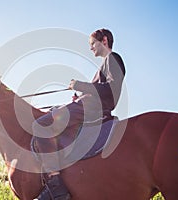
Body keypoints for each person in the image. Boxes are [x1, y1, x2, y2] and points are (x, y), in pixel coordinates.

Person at [33, 28, 126, 200]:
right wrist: (80, 96)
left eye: (92, 43)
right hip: (87, 105)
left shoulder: (113, 58)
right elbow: (99, 90)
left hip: (93, 109)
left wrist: (80, 86)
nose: (90, 48)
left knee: (40, 125)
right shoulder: (104, 64)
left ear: (104, 40)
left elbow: (111, 90)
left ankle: (56, 187)